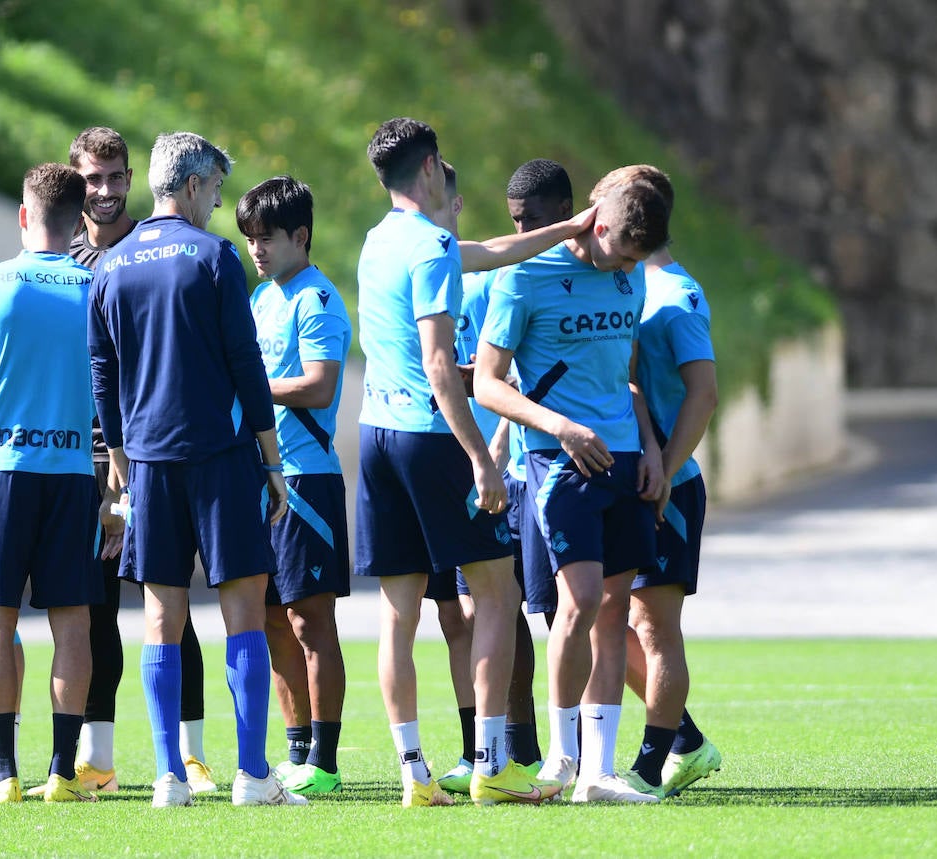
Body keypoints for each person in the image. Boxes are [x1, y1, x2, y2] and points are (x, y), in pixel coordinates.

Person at [356, 117, 570, 807]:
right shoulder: (432, 245)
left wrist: (570, 229)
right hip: (429, 436)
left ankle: (414, 773)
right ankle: (492, 764)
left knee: (397, 614)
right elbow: (440, 365)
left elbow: (492, 249)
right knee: (497, 594)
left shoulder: (379, 240)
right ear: (431, 167)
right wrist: (480, 456)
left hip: (376, 434)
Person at [88, 131, 304, 808]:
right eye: (213, 189)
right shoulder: (214, 255)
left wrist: (119, 457)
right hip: (220, 456)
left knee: (160, 616)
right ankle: (252, 775)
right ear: (190, 184)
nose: (215, 202)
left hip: (149, 463)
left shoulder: (111, 264)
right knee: (243, 608)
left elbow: (102, 372)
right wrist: (272, 459)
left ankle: (168, 778)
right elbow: (246, 362)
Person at [474, 178, 672, 803]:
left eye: (638, 260)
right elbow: (487, 383)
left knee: (614, 613)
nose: (629, 269)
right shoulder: (524, 277)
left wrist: (652, 449)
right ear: (598, 225)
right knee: (580, 602)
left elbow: (623, 376)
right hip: (560, 460)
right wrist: (559, 427)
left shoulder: (631, 277)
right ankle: (562, 756)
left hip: (625, 459)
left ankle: (597, 773)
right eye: (624, 255)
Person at [0, 163, 102, 804]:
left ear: (23, 216)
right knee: (73, 624)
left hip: (0, 477)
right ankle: (62, 774)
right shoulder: (96, 287)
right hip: (73, 475)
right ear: (79, 221)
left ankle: (2, 773)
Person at [65, 126, 215, 796]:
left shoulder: (151, 248)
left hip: (152, 454)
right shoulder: (60, 257)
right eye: (91, 178)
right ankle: (97, 760)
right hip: (82, 458)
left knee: (169, 604)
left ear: (133, 179)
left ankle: (192, 754)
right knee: (94, 608)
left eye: (115, 176)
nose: (104, 190)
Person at [589, 166, 722, 798]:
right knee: (599, 616)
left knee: (653, 626)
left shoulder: (676, 295)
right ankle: (686, 741)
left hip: (667, 485)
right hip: (623, 479)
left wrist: (664, 471)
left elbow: (704, 393)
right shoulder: (624, 282)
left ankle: (650, 766)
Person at [237, 176, 350, 796]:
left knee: (310, 622)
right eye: (250, 238)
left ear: (300, 236)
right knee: (270, 618)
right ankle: (298, 750)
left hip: (307, 480)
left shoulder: (318, 298)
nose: (255, 249)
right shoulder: (262, 298)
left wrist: (247, 390)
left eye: (267, 238)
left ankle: (325, 763)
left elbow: (320, 385)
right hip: (261, 478)